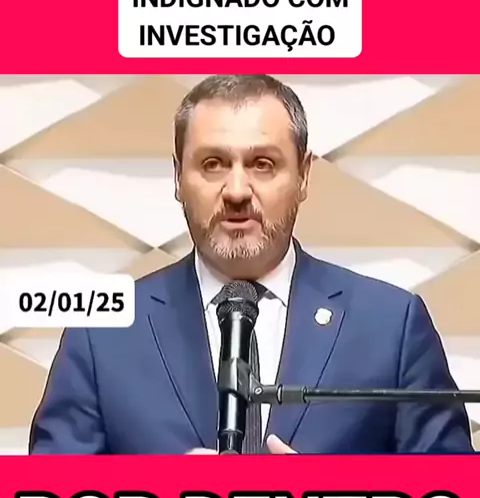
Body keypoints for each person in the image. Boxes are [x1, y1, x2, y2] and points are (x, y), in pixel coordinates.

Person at [29, 75, 474, 454]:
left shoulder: (391, 327)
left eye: (263, 164)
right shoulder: (100, 335)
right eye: (213, 164)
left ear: (303, 175)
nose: (237, 191)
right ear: (178, 177)